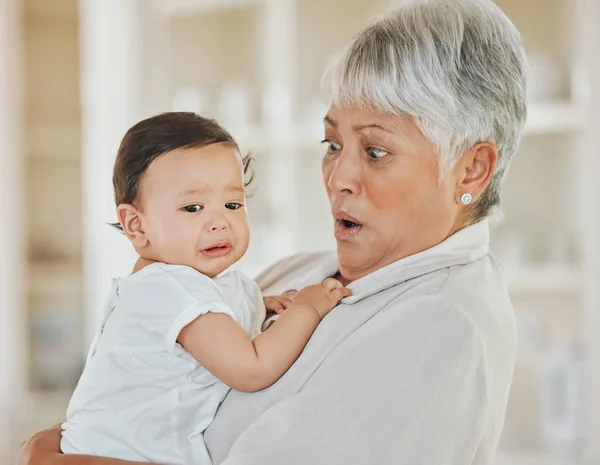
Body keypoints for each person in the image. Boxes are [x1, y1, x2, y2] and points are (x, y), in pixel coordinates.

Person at [17, 0, 528, 463]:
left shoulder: (442, 329)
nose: (337, 177)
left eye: (374, 151)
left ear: (471, 170)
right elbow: (145, 406)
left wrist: (46, 454)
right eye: (332, 145)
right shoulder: (294, 274)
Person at [59, 112, 350, 465]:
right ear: (136, 225)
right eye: (192, 207)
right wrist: (308, 307)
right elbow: (252, 368)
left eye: (232, 204)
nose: (219, 222)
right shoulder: (168, 291)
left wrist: (262, 304)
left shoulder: (187, 284)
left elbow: (218, 317)